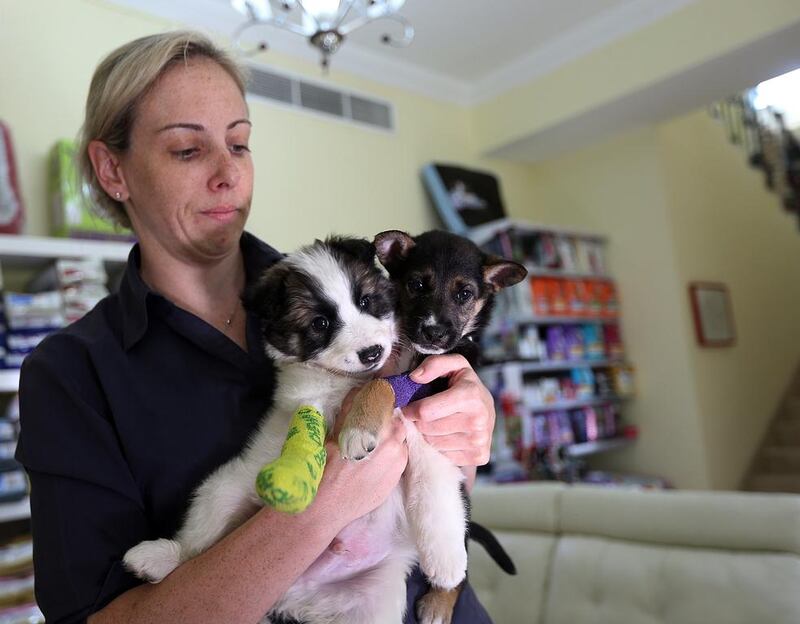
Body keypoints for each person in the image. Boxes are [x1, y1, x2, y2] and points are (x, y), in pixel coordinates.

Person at [16, 31, 496, 623]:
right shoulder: (71, 375)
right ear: (112, 168)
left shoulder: (355, 282)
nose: (227, 174)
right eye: (187, 150)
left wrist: (467, 430)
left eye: (239, 144)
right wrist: (320, 508)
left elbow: (441, 471)